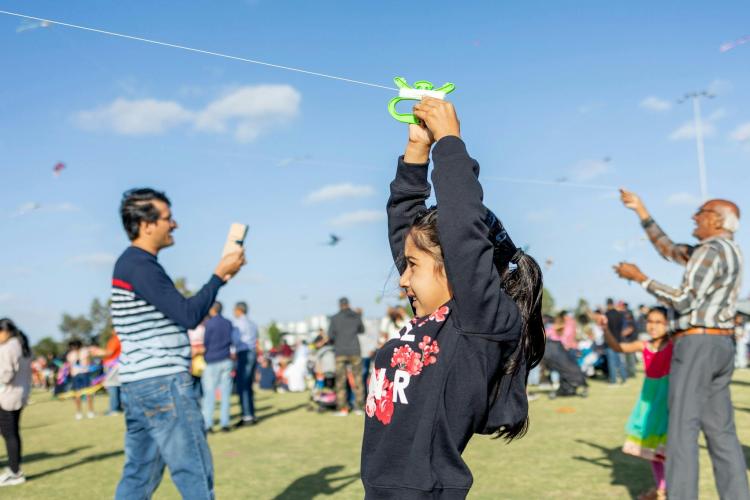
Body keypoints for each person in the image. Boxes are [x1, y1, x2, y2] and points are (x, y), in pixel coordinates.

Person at [361, 98, 545, 498]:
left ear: (457, 268)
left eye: (412, 266)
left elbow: (461, 226)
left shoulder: (476, 321)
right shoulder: (437, 315)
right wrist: (417, 150)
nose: (402, 279)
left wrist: (449, 141)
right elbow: (407, 224)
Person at [111, 188, 245, 500]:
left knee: (139, 476)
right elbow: (188, 314)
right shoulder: (140, 265)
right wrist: (218, 276)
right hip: (163, 382)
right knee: (194, 474)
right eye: (168, 218)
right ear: (146, 225)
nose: (175, 225)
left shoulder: (132, 264)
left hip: (138, 383)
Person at [615, 189, 749, 499]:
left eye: (700, 212)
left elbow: (684, 300)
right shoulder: (730, 250)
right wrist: (641, 211)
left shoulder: (709, 250)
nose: (693, 216)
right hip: (721, 346)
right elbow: (669, 250)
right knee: (722, 433)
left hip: (697, 344)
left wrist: (641, 278)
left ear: (715, 219)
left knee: (681, 430)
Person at [601, 307, 673, 500]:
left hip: (667, 401)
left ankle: (664, 491)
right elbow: (618, 348)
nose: (653, 326)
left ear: (668, 323)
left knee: (667, 450)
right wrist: (606, 330)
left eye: (659, 322)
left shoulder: (675, 344)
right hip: (649, 403)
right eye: (650, 321)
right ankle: (660, 490)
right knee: (652, 452)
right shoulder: (644, 345)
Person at [0, 319, 32, 487]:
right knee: (12, 433)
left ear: (6, 331)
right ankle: (14, 469)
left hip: (7, 395)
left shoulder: (8, 347)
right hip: (19, 394)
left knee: (9, 434)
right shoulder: (22, 344)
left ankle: (15, 472)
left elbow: (6, 375)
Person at [328, 297, 365, 416]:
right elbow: (361, 330)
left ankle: (343, 408)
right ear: (348, 304)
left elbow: (331, 336)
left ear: (339, 305)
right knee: (358, 379)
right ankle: (359, 407)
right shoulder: (356, 315)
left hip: (340, 352)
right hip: (354, 350)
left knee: (340, 381)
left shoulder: (334, 318)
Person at [201, 302, 235, 433]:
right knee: (225, 393)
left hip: (212, 361)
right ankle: (224, 423)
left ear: (212, 309)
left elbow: (206, 342)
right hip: (226, 360)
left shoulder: (209, 324)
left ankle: (208, 424)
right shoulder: (228, 323)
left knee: (209, 394)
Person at [231, 302, 258, 426]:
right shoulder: (252, 323)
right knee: (248, 385)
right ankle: (250, 413)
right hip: (252, 352)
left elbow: (235, 340)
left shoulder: (239, 323)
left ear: (239, 310)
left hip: (244, 353)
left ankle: (247, 415)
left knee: (243, 385)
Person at [90, 332, 123, 416]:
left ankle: (114, 409)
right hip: (113, 365)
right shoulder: (117, 338)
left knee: (112, 386)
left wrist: (97, 352)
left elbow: (109, 352)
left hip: (113, 366)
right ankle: (117, 408)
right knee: (115, 386)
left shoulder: (115, 339)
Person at [66, 339, 95, 419]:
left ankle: (90, 411)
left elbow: (88, 362)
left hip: (85, 374)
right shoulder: (70, 355)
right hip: (75, 375)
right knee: (77, 395)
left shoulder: (84, 351)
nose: (73, 347)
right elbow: (70, 366)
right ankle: (79, 413)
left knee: (88, 393)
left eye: (74, 345)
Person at [604, 298, 628, 385]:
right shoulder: (619, 314)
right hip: (619, 341)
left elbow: (605, 329)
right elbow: (623, 328)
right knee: (621, 362)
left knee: (612, 363)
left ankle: (613, 380)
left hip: (610, 342)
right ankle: (624, 378)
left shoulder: (606, 315)